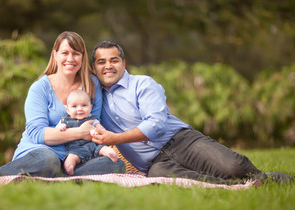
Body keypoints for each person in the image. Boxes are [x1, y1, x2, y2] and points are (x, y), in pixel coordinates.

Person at [90, 40, 293, 184]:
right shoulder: (94, 99)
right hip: (155, 163)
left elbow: (156, 124)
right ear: (94, 68)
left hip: (182, 141)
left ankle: (265, 179)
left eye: (114, 60)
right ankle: (237, 188)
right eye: (102, 62)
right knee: (165, 177)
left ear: (123, 64)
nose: (108, 66)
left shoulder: (142, 84)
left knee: (234, 168)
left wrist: (116, 138)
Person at [0, 32, 125, 178]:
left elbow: (94, 123)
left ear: (82, 57)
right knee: (48, 161)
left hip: (77, 154)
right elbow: (38, 134)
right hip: (42, 151)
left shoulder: (91, 84)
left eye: (76, 53)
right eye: (65, 53)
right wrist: (79, 133)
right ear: (55, 55)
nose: (70, 59)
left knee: (115, 164)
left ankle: (59, 175)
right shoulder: (40, 88)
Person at [56, 89, 118, 175]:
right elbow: (56, 131)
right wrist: (60, 127)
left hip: (94, 145)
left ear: (90, 107)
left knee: (102, 148)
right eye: (74, 106)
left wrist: (97, 131)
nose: (80, 109)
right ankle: (69, 166)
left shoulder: (92, 119)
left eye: (84, 105)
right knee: (72, 156)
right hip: (76, 149)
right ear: (67, 109)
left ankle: (110, 153)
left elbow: (101, 129)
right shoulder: (64, 120)